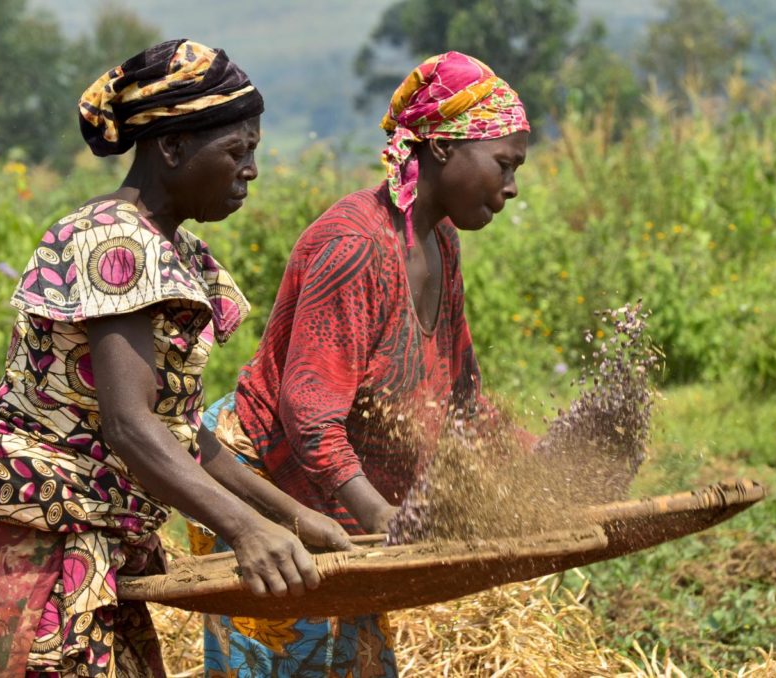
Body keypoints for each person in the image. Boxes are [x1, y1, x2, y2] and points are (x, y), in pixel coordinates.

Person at [0, 39, 350, 678]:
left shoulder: (173, 250)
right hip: (39, 529)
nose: (251, 170)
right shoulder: (114, 243)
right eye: (237, 151)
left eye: (254, 151)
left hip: (90, 524)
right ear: (172, 146)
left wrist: (292, 515)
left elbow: (178, 432)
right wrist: (245, 529)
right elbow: (129, 424)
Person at [190, 51, 532, 677]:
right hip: (266, 479)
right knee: (293, 660)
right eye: (504, 164)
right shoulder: (355, 245)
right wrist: (382, 521)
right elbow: (309, 412)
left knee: (359, 663)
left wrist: (546, 466)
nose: (511, 187)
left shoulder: (440, 242)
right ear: (442, 148)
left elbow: (461, 401)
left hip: (342, 492)